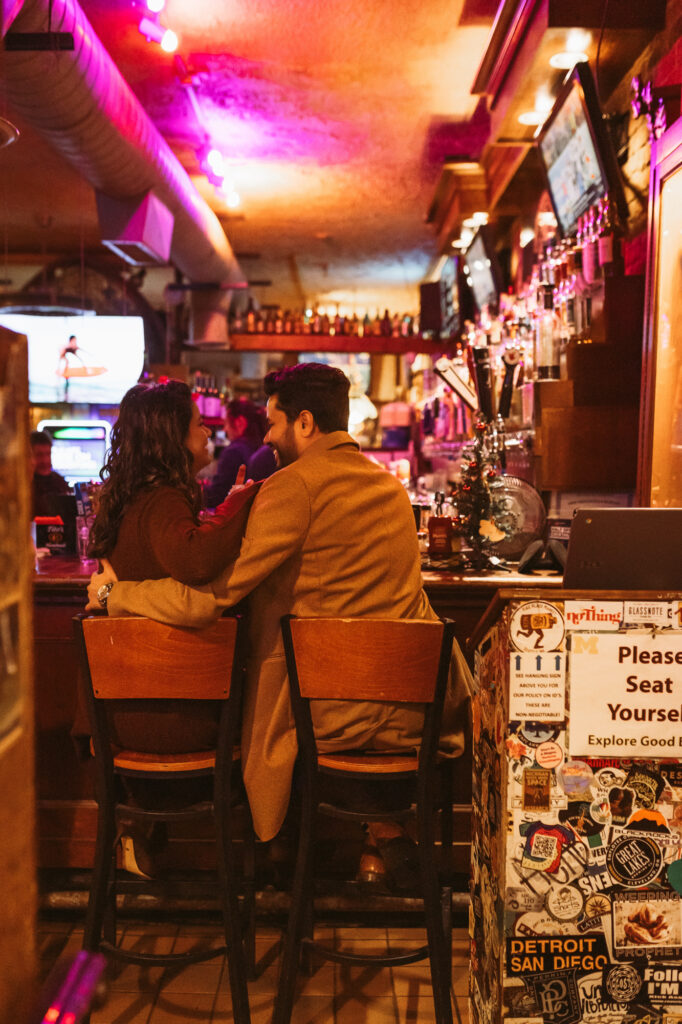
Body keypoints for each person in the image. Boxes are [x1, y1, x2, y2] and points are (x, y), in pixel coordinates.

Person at [87, 363, 472, 885]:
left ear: (306, 424)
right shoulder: (391, 491)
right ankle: (379, 835)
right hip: (419, 719)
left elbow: (207, 599)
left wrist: (118, 593)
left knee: (245, 688)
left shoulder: (292, 489)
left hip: (330, 724)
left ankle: (267, 861)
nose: (264, 437)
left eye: (272, 423)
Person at [83, 379, 260, 875]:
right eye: (197, 424)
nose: (207, 432)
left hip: (125, 717)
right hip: (175, 722)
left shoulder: (132, 499)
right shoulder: (163, 500)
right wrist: (245, 510)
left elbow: (177, 546)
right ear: (170, 435)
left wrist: (224, 509)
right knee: (275, 698)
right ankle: (274, 854)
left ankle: (140, 829)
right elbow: (193, 559)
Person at [203, 397, 268, 507]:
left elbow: (216, 496)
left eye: (226, 424)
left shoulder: (234, 452)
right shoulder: (263, 448)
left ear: (240, 423)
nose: (225, 430)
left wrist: (197, 489)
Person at [30, 430, 69, 517]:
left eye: (48, 454)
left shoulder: (60, 482)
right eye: (39, 455)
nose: (45, 460)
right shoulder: (25, 486)